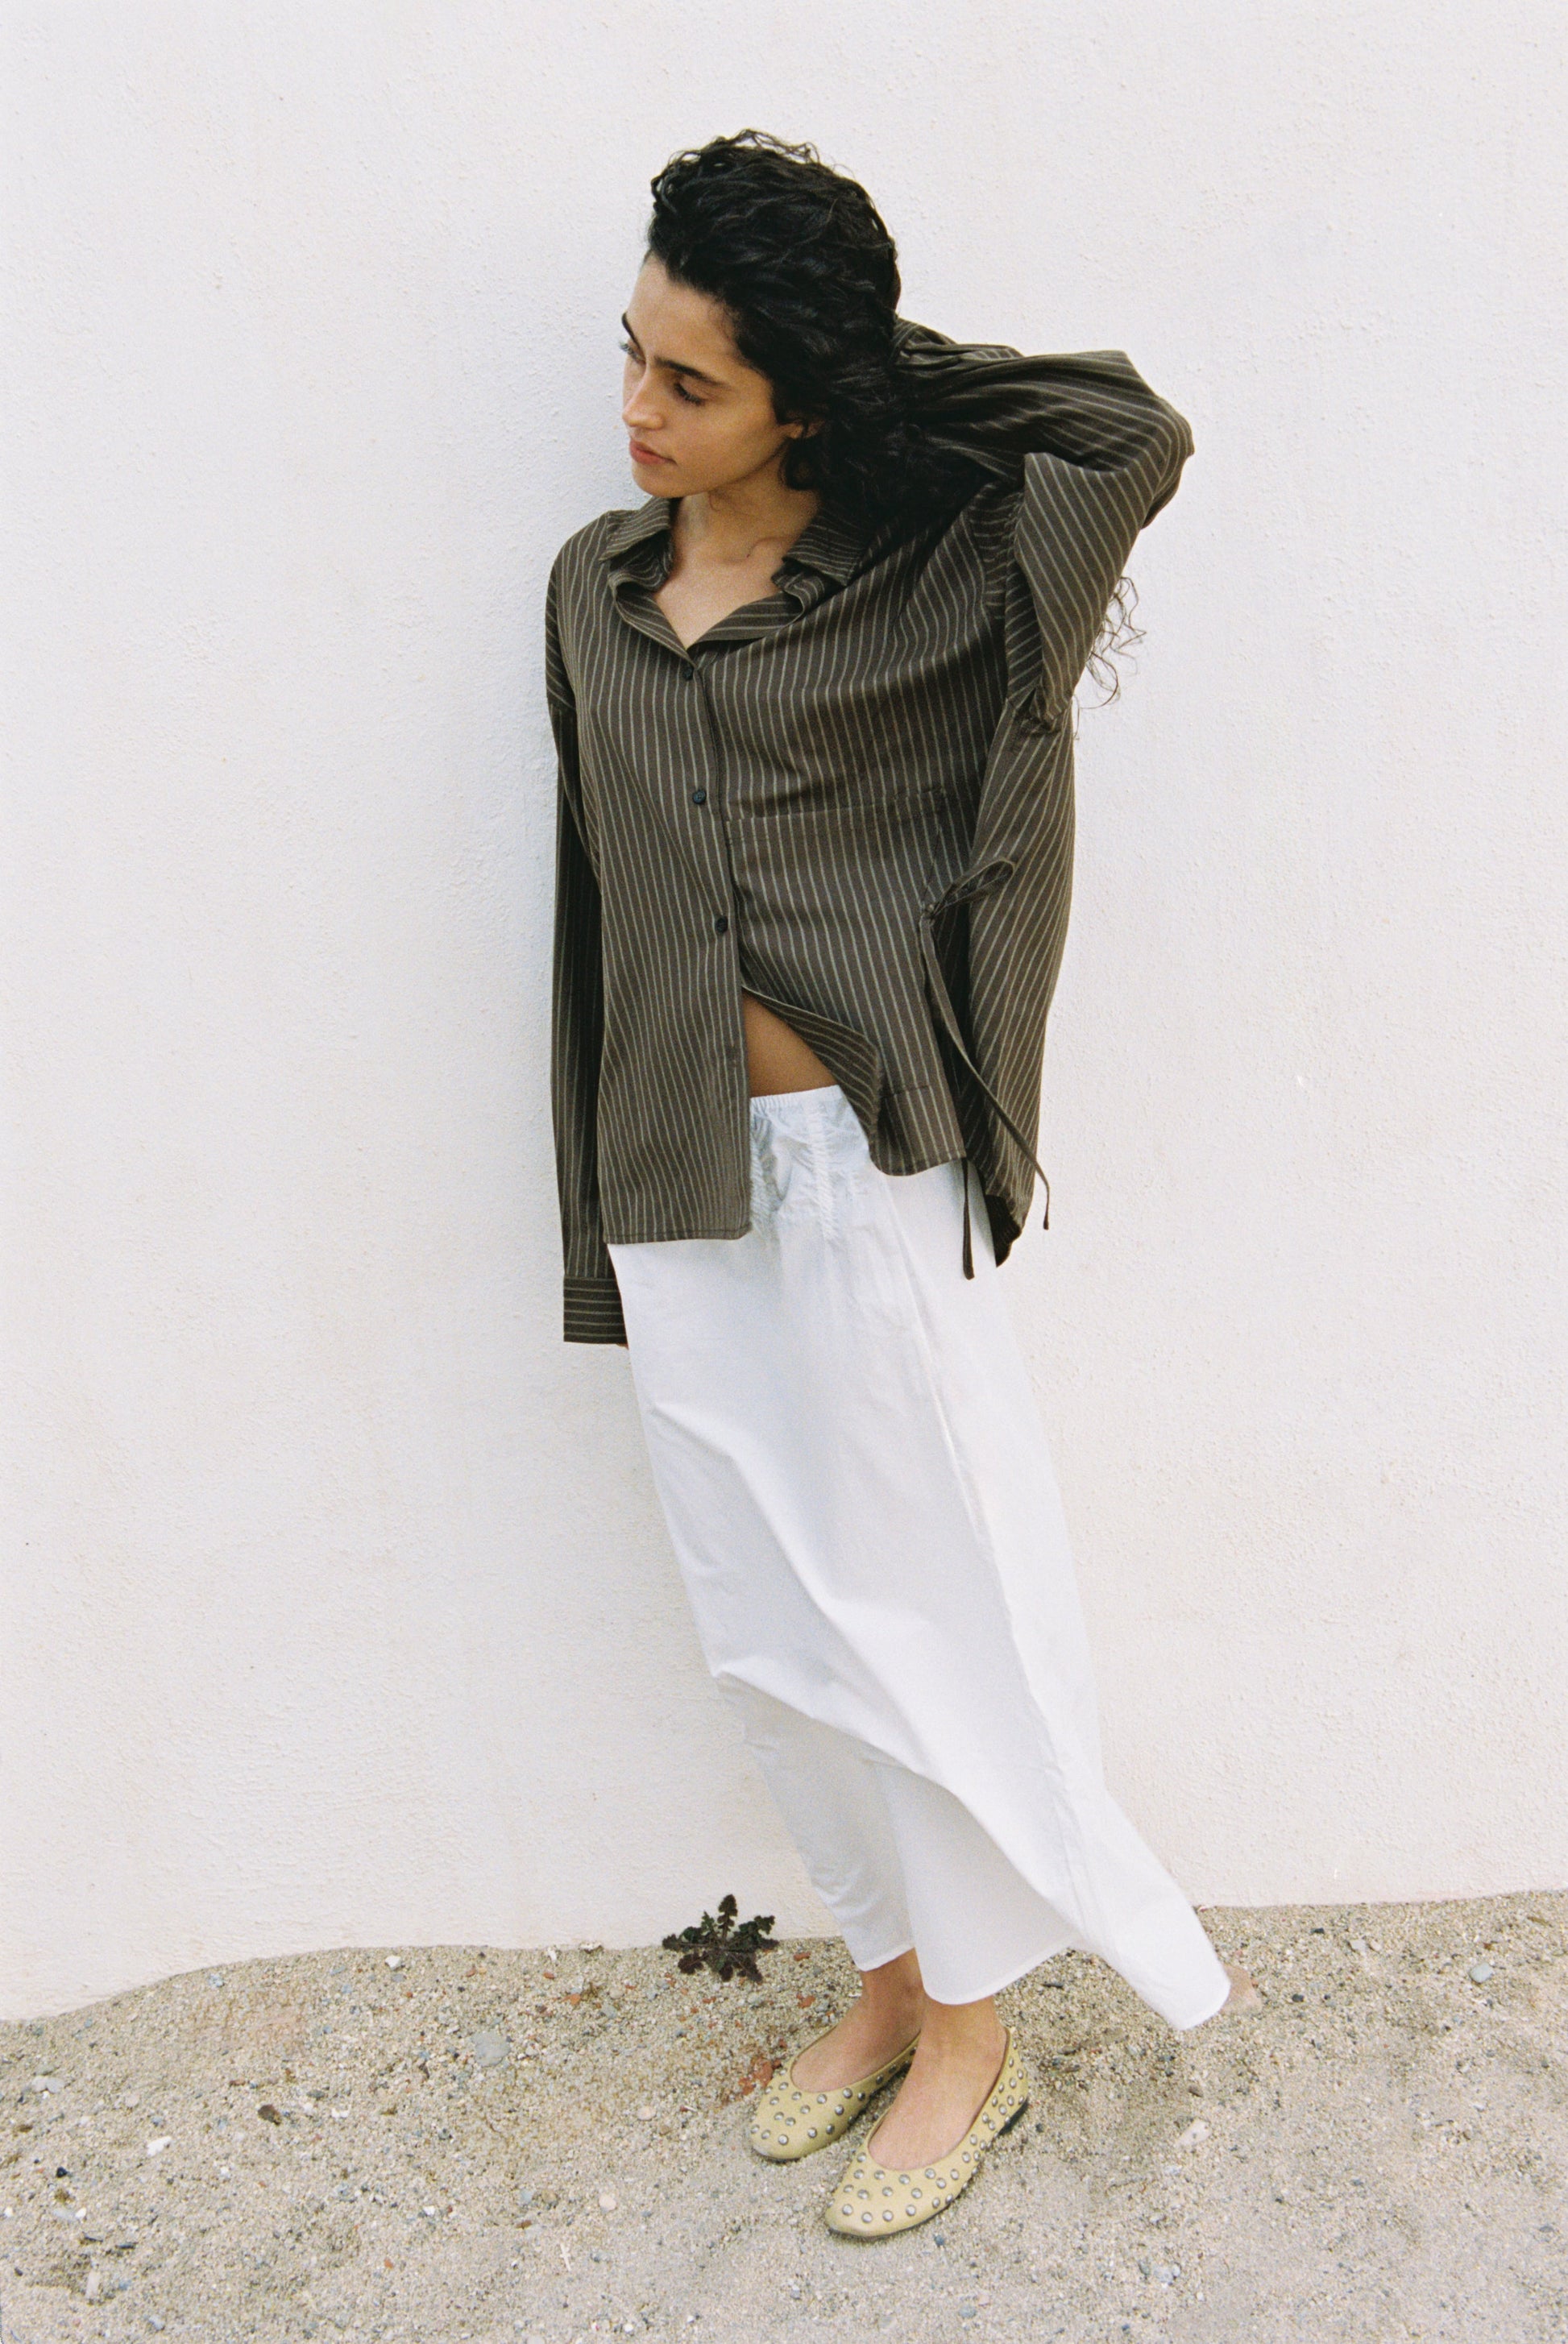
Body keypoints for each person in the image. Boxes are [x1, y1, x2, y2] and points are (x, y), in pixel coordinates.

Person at [545, 130, 1259, 2240]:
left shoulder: (944, 573)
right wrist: (590, 1207)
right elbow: (588, 915)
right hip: (673, 1165)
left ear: (799, 401)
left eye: (690, 378)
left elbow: (1127, 435)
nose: (636, 406)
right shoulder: (589, 591)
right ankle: (884, 1978)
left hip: (863, 1165)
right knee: (768, 1625)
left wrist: (876, 367)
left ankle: (975, 2032)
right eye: (630, 354)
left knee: (923, 1600)